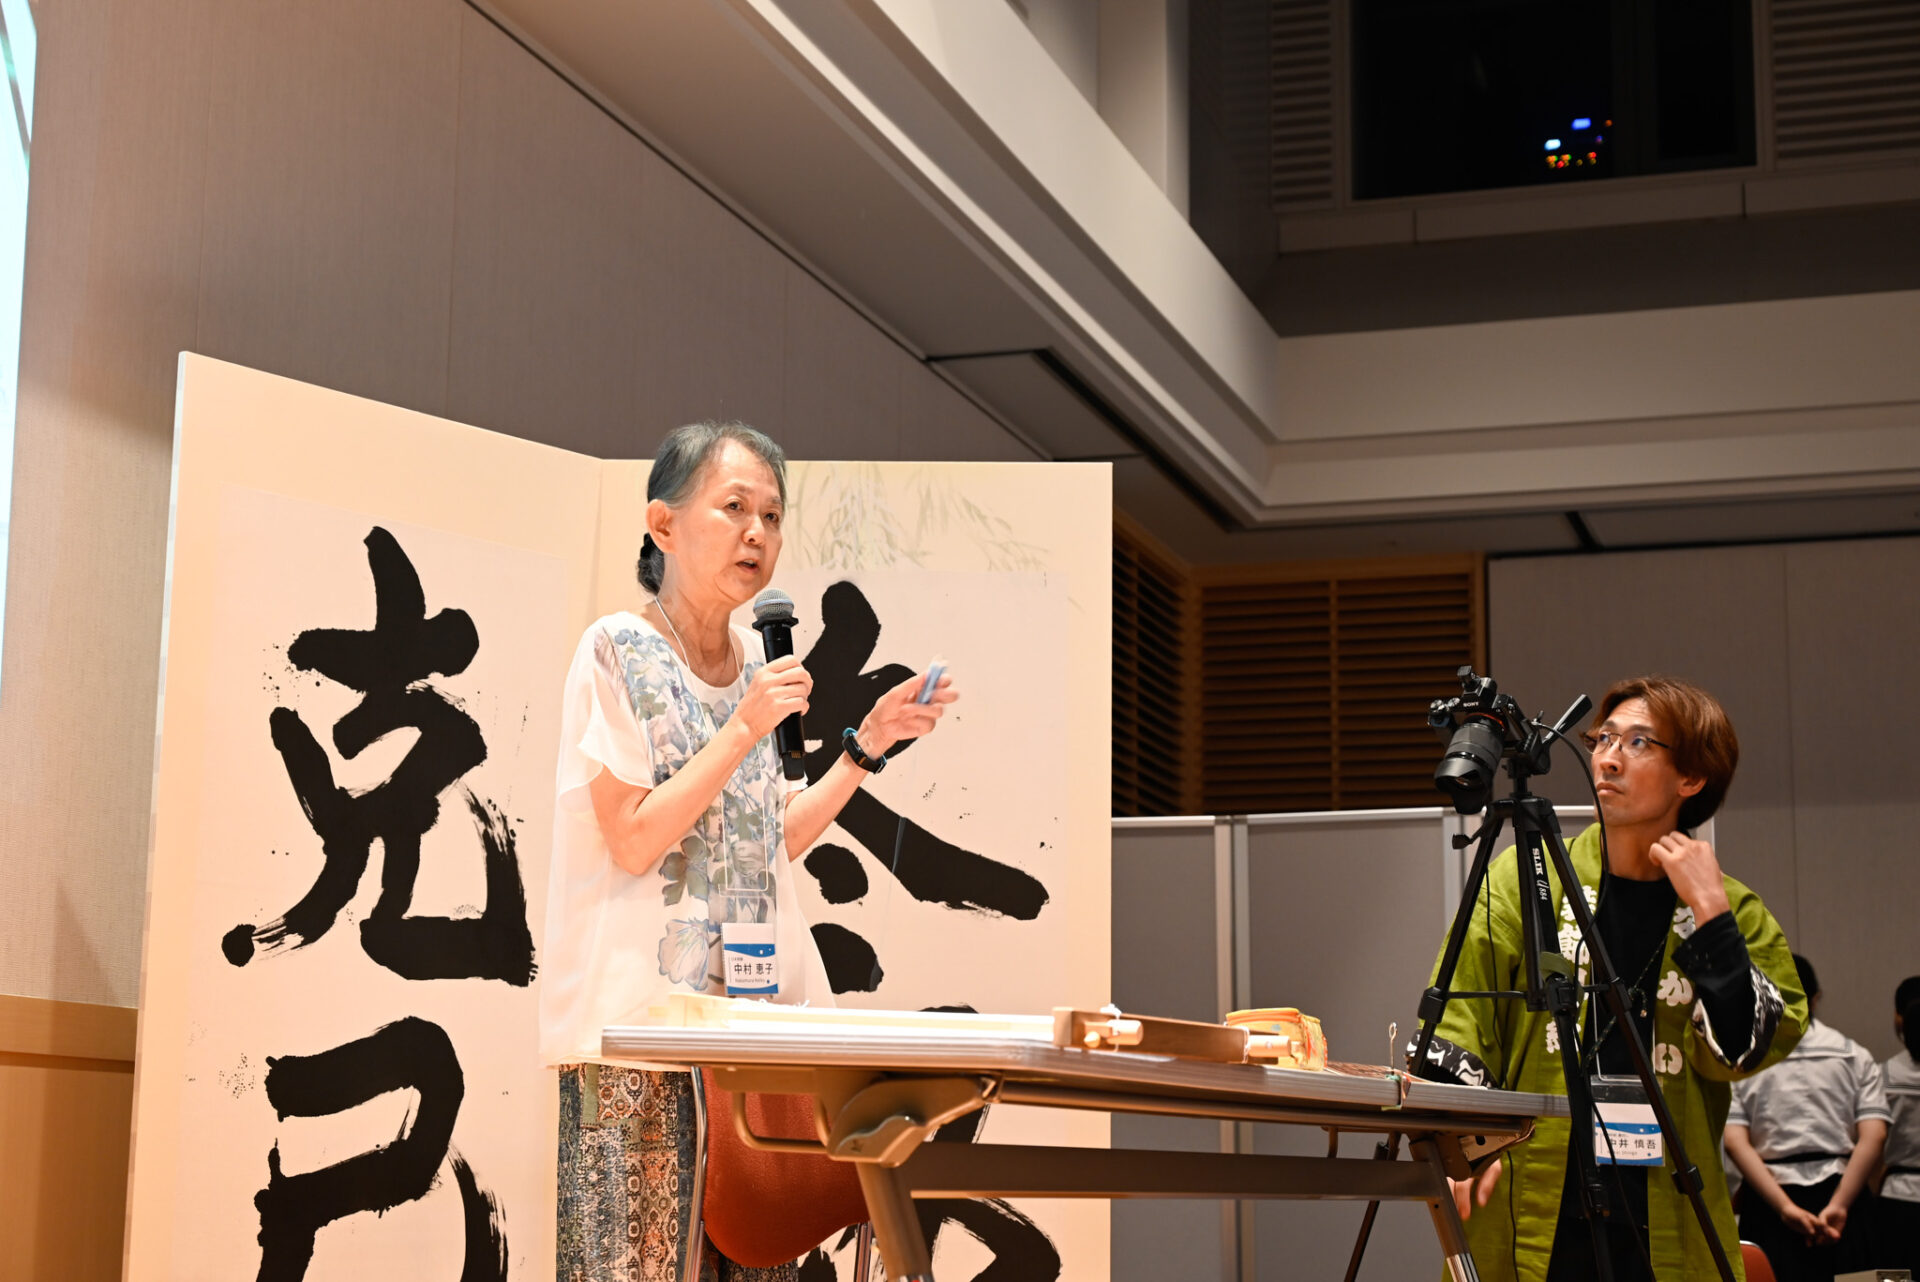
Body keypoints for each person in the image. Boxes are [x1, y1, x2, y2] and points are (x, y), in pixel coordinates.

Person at [539, 421, 958, 1282]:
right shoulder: (616, 650)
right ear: (663, 525)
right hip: (642, 1048)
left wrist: (866, 746)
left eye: (771, 515)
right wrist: (742, 726)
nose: (757, 533)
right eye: (734, 508)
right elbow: (633, 838)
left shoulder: (752, 671)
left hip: (754, 1042)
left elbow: (768, 844)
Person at [1419, 675, 1808, 1282]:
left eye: (1638, 742)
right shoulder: (1528, 877)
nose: (1607, 757)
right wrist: (1454, 1143)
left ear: (1691, 777)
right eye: (1603, 738)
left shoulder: (1732, 908)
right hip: (1534, 1195)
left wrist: (1711, 916)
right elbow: (1461, 1014)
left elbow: (1740, 1050)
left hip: (1666, 1206)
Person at [1723, 955, 1890, 1282]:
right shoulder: (1853, 1054)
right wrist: (1839, 1205)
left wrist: (1785, 1208)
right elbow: (1875, 1136)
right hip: (1844, 1196)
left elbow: (1734, 1142)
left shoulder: (1744, 1061)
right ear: (1815, 997)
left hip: (1770, 1202)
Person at [1873, 975, 1920, 1274]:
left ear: (1899, 1018)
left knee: (1897, 1277)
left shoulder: (1885, 1074)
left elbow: (1872, 1141)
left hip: (1898, 1198)